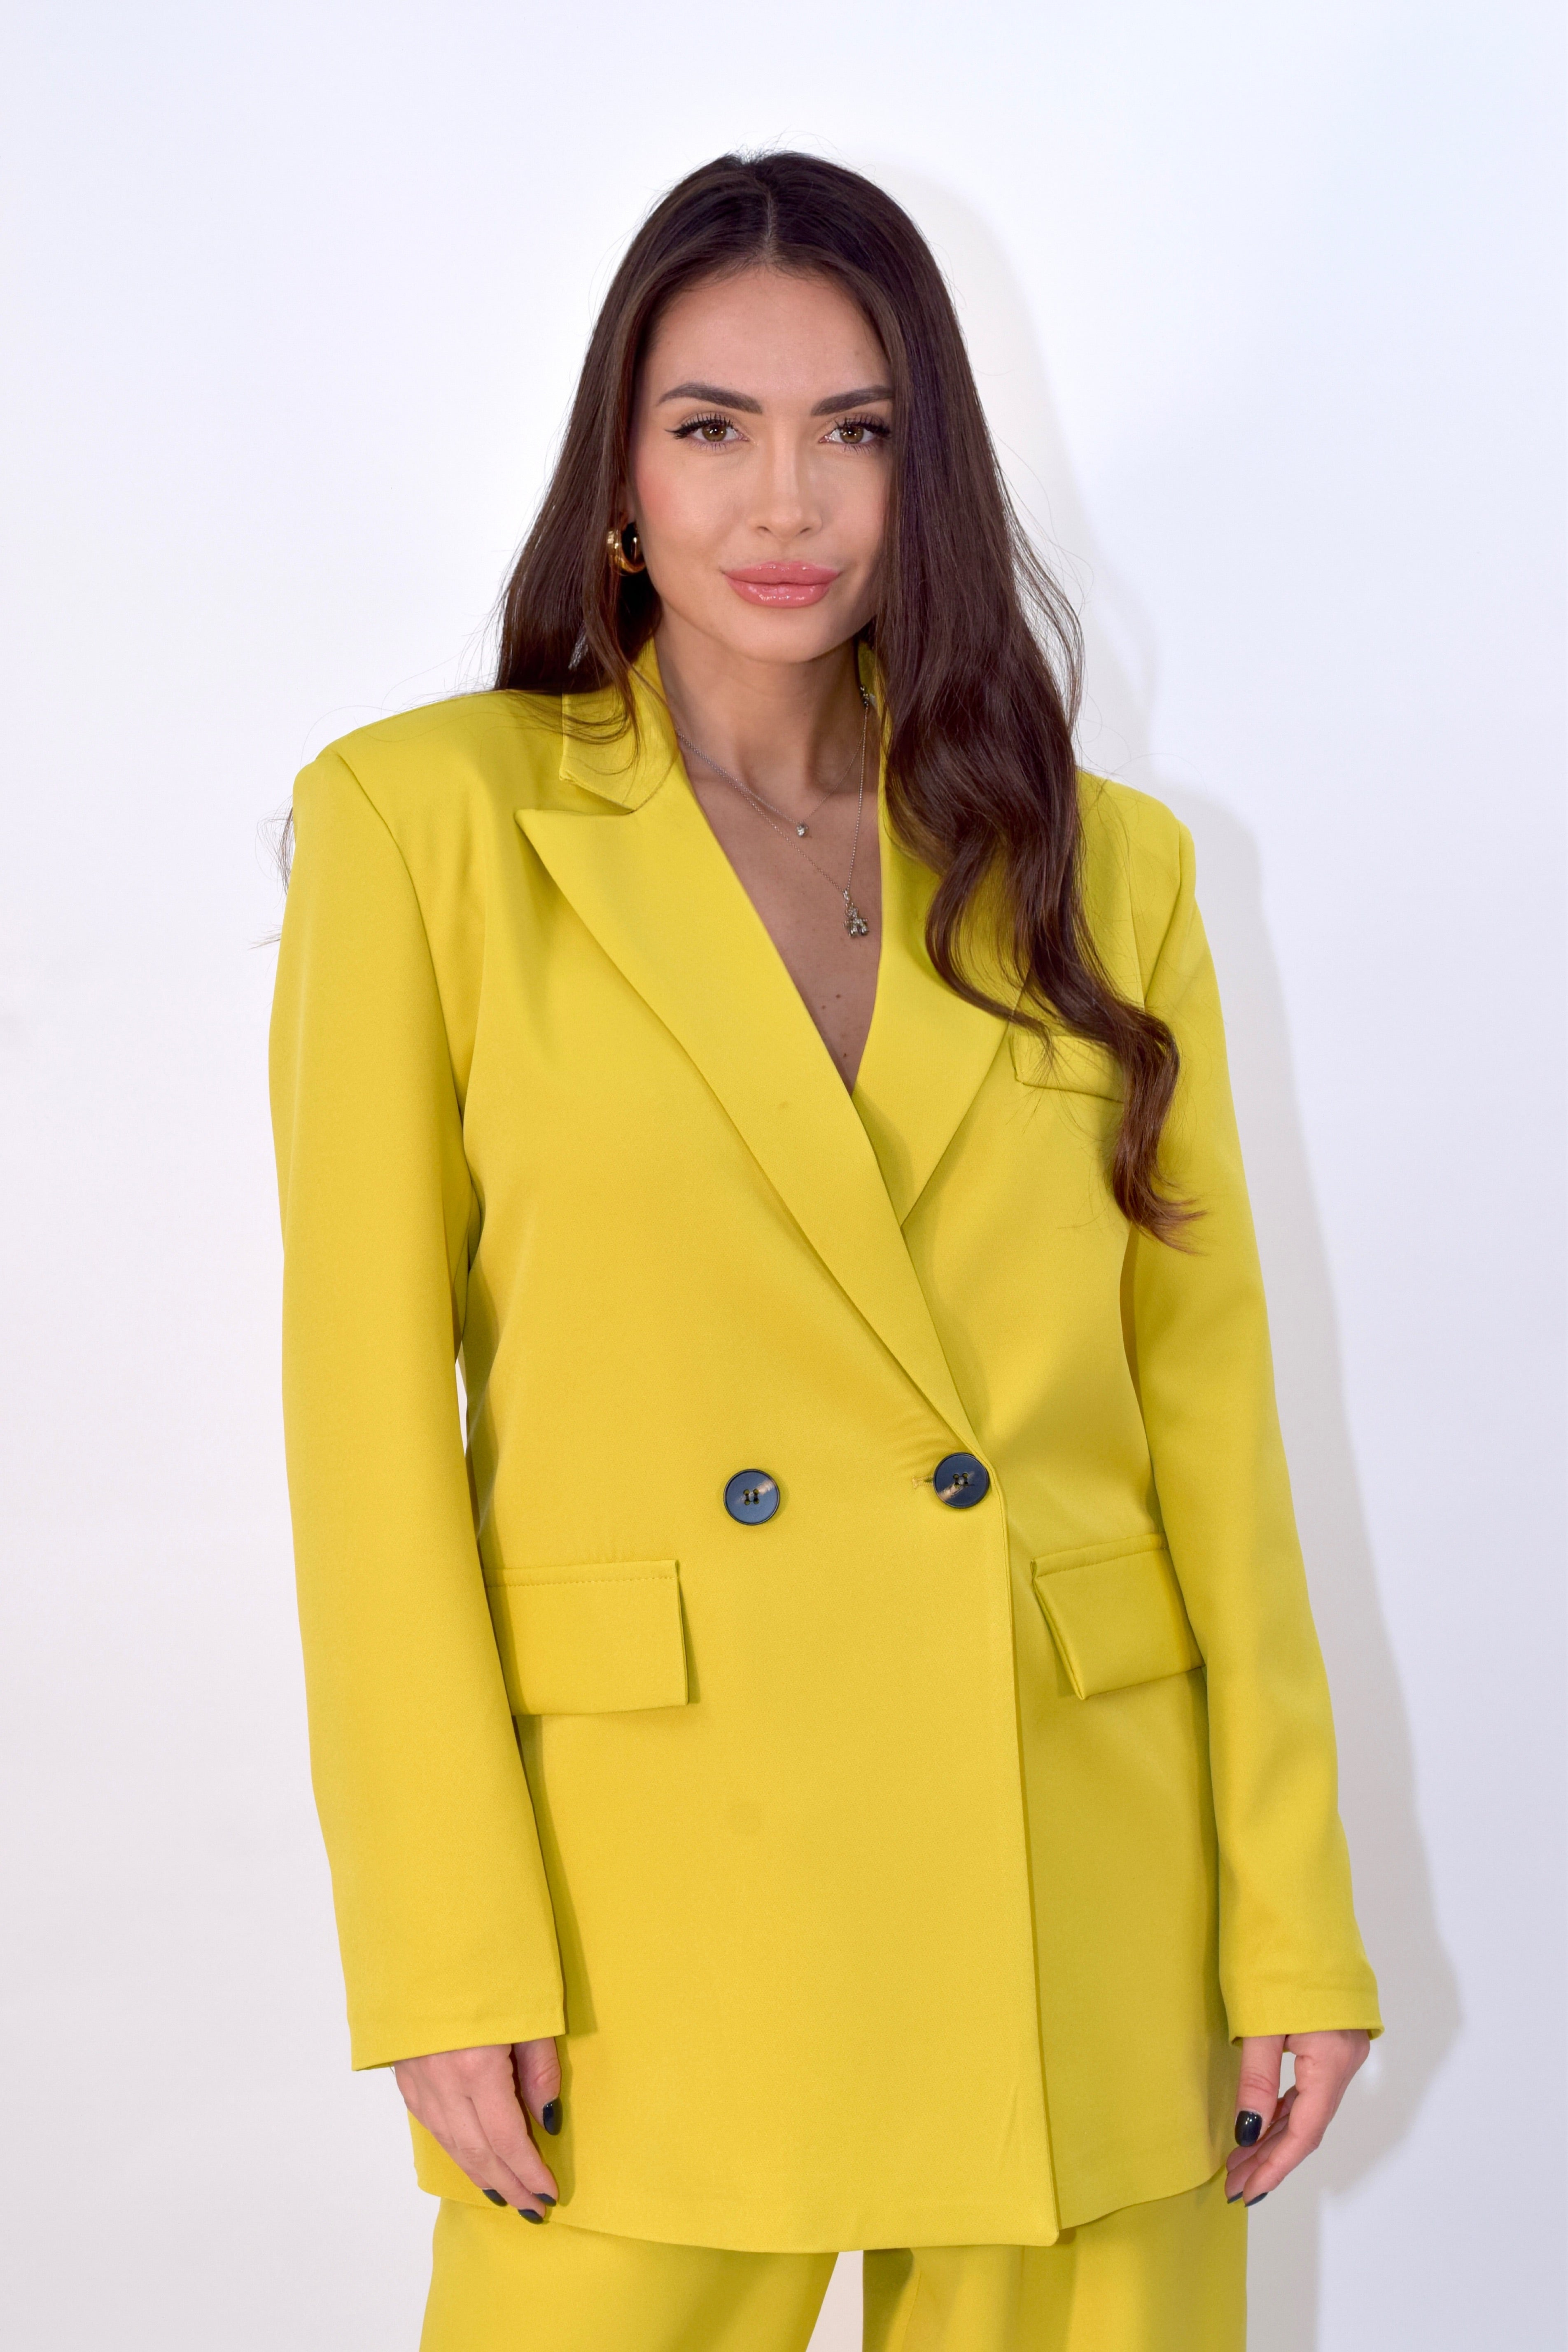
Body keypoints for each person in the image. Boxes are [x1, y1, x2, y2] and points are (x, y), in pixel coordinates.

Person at [269, 150, 1380, 2352]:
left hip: (1073, 1880)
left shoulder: (1102, 866)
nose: (785, 501)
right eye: (714, 426)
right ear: (620, 471)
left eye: (854, 430)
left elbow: (1211, 1431)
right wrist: (446, 1952)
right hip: (644, 1906)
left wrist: (1291, 1924)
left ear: (924, 472)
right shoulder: (427, 827)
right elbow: (365, 1438)